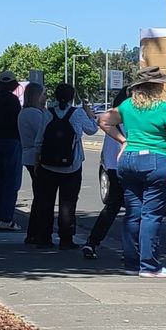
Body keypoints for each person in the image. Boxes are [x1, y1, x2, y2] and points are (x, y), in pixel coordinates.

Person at [98, 67, 166, 277]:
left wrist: (123, 141)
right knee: (151, 215)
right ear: (157, 87)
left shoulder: (126, 106)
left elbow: (103, 120)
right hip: (157, 160)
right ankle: (149, 265)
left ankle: (131, 262)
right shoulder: (164, 108)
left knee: (133, 212)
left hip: (129, 159)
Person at [31, 84, 98, 250]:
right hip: (71, 166)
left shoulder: (48, 113)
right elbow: (92, 130)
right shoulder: (77, 113)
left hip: (48, 165)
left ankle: (43, 237)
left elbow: (39, 139)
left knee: (46, 202)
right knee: (68, 203)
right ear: (71, 97)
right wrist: (90, 114)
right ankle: (66, 239)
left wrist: (37, 162)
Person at [83, 86, 129, 260]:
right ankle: (130, 249)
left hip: (111, 168)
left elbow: (106, 148)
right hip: (128, 167)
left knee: (111, 208)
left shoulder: (110, 121)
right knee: (133, 211)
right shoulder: (128, 121)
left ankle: (92, 242)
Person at [0, 71, 24, 230]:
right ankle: (6, 218)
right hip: (11, 141)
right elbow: (18, 121)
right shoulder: (13, 100)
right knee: (10, 181)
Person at [18, 83, 47, 245]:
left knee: (40, 195)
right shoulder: (34, 114)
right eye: (43, 95)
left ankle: (34, 232)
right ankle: (35, 232)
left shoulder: (25, 112)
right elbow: (43, 133)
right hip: (35, 157)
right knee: (41, 197)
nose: (45, 98)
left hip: (28, 155)